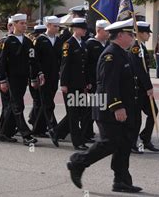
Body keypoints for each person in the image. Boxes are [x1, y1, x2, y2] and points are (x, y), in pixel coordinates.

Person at [67, 18, 143, 193]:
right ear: (121, 35)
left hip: (121, 107)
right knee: (109, 142)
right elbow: (109, 83)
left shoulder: (122, 53)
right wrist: (117, 106)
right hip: (108, 108)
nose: (132, 38)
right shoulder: (111, 55)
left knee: (124, 143)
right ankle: (78, 162)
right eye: (130, 34)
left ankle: (121, 180)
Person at [0, 13, 44, 146]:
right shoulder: (7, 41)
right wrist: (1, 80)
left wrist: (36, 75)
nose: (25, 25)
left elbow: (33, 61)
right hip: (11, 79)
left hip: (23, 78)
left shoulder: (28, 41)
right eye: (22, 23)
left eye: (25, 23)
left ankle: (4, 133)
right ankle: (26, 135)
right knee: (18, 105)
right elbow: (1, 62)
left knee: (15, 105)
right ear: (14, 24)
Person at [55, 18, 91, 150]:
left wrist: (86, 83)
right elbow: (65, 65)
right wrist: (63, 83)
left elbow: (84, 66)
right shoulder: (68, 44)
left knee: (79, 111)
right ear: (75, 29)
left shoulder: (83, 44)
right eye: (82, 28)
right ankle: (78, 142)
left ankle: (57, 131)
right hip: (70, 84)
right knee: (74, 114)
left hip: (80, 84)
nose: (85, 30)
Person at [31, 16, 63, 145]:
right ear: (48, 25)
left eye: (58, 26)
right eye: (55, 26)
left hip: (54, 76)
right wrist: (37, 74)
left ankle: (37, 128)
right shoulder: (39, 40)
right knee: (47, 102)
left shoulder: (59, 40)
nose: (57, 28)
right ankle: (51, 128)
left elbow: (60, 59)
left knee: (47, 102)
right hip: (43, 76)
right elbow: (34, 60)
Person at [129, 21, 159, 153]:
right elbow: (139, 70)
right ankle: (132, 143)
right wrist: (148, 87)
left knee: (154, 112)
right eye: (147, 33)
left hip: (144, 88)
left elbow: (145, 70)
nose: (149, 35)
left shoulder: (142, 47)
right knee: (136, 118)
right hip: (137, 88)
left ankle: (145, 138)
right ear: (140, 33)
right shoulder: (135, 48)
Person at [84, 19, 110, 142]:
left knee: (101, 107)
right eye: (106, 31)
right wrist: (87, 81)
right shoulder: (90, 44)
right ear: (99, 30)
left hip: (104, 82)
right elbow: (86, 65)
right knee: (91, 109)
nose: (108, 33)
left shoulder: (107, 44)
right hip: (93, 82)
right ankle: (86, 132)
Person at [0, 18, 18, 143]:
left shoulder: (19, 40)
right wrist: (1, 80)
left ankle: (8, 129)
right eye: (9, 25)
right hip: (6, 79)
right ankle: (4, 131)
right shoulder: (4, 41)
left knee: (12, 106)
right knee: (8, 106)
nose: (11, 27)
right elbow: (0, 63)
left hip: (15, 80)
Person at [28, 23, 48, 131]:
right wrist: (33, 79)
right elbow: (33, 63)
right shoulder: (35, 44)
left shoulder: (37, 43)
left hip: (40, 76)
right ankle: (37, 124)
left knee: (40, 102)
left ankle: (34, 119)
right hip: (35, 77)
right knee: (38, 102)